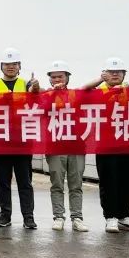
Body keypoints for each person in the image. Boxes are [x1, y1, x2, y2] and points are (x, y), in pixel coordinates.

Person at [0, 48, 40, 229]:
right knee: (3, 182)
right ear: (1, 66)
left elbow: (38, 96)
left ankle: (28, 217)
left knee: (25, 182)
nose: (10, 67)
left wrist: (36, 89)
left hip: (22, 142)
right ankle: (5, 216)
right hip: (1, 142)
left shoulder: (27, 84)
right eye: (7, 64)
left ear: (19, 66)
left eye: (14, 64)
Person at [82, 57, 129, 233]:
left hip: (128, 145)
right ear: (104, 74)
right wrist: (100, 79)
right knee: (108, 181)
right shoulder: (97, 92)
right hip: (106, 146)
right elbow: (82, 90)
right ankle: (110, 217)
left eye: (119, 72)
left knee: (126, 181)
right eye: (111, 72)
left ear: (124, 74)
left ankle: (124, 216)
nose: (115, 74)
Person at [43, 61, 87, 232]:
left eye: (60, 76)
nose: (57, 80)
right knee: (57, 184)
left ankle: (77, 217)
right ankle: (58, 217)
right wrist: (52, 94)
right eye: (53, 77)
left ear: (67, 77)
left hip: (76, 146)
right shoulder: (46, 95)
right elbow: (41, 109)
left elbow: (89, 90)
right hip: (55, 146)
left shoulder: (76, 95)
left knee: (76, 184)